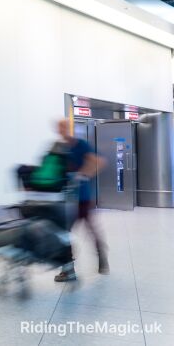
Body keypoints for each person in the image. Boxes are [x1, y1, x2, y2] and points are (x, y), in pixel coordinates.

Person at [54, 118, 108, 282]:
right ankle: (70, 268)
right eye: (59, 127)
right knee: (66, 232)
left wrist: (85, 174)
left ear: (68, 128)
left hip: (82, 198)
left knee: (81, 230)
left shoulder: (81, 145)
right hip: (67, 200)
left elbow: (100, 161)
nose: (61, 130)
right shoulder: (60, 147)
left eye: (63, 127)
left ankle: (98, 257)